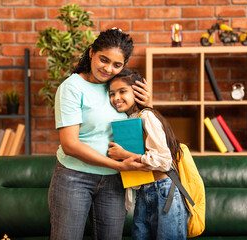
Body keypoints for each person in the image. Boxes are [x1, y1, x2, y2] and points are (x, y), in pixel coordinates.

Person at [49, 28, 152, 240]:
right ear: (91, 53)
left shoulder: (121, 88)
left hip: (115, 182)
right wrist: (117, 165)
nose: (108, 69)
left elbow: (145, 128)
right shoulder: (72, 87)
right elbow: (70, 145)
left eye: (117, 64)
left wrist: (148, 106)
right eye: (103, 60)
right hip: (74, 178)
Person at [107, 68, 188, 240]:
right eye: (112, 94)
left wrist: (125, 154)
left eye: (122, 91)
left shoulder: (147, 116)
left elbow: (164, 161)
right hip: (144, 192)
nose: (116, 98)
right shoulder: (130, 119)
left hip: (164, 191)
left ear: (137, 91)